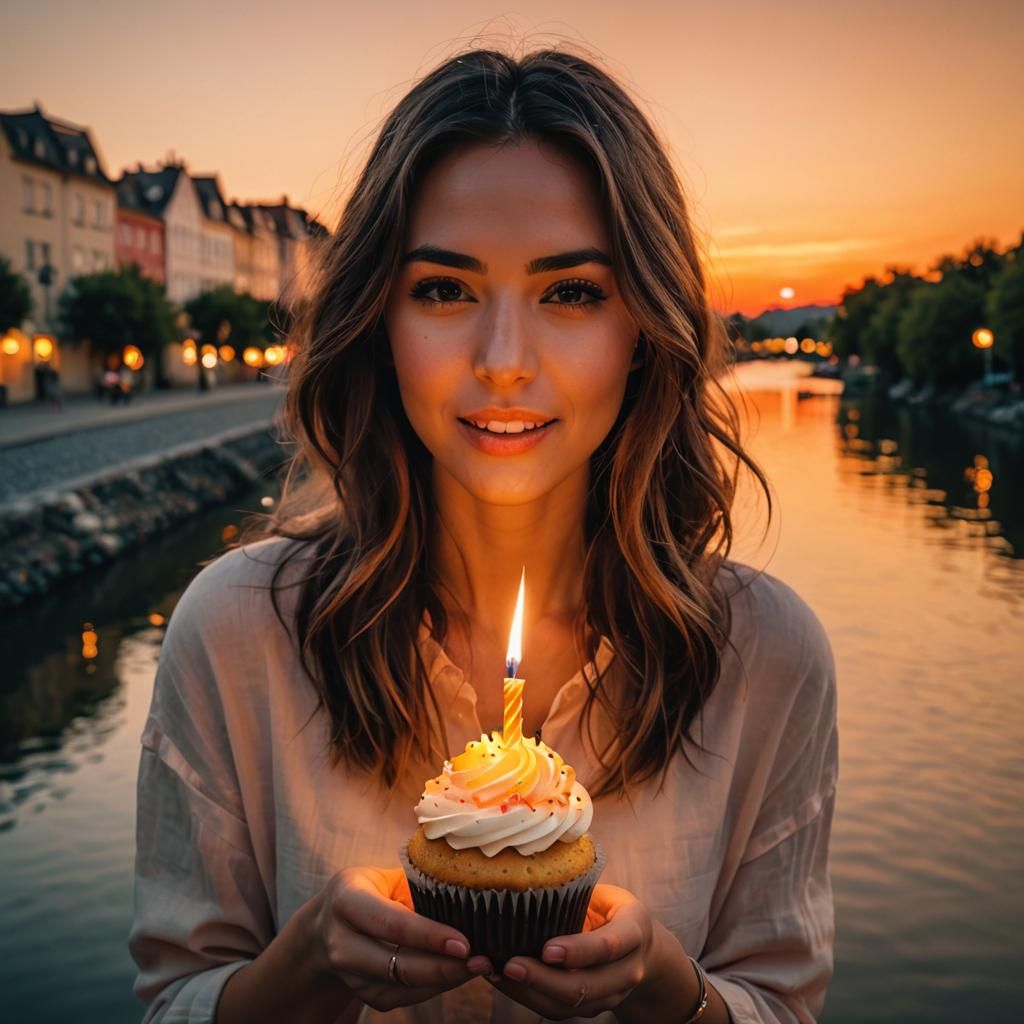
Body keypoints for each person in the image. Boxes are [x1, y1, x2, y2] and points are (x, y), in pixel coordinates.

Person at [129, 46, 838, 1024]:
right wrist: (303, 972)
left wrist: (672, 996)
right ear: (379, 316)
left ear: (643, 325)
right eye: (445, 290)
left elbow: (783, 1002)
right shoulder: (234, 633)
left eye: (571, 292)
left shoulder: (766, 656)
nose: (504, 362)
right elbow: (170, 1001)